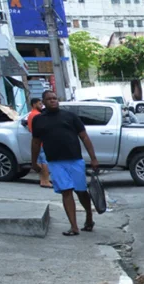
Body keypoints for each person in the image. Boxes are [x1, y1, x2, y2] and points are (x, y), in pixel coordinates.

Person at [30, 90, 99, 236]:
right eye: (49, 99)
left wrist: (93, 158)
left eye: (55, 98)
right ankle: (74, 227)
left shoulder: (70, 116)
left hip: (75, 160)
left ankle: (89, 217)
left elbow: (84, 137)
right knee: (66, 192)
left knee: (81, 191)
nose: (53, 101)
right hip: (55, 162)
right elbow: (36, 142)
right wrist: (34, 161)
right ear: (43, 102)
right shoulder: (39, 120)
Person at [26, 97, 52, 189]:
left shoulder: (31, 115)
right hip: (41, 141)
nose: (41, 106)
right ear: (34, 104)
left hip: (38, 141)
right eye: (39, 104)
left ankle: (43, 180)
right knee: (44, 161)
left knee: (41, 161)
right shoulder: (37, 115)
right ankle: (46, 181)